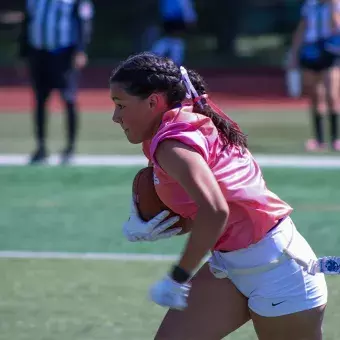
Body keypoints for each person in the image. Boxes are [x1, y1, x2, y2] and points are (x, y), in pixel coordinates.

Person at [110, 52, 327, 340]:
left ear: (153, 101)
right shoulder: (179, 124)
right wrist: (162, 224)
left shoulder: (172, 144)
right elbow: (219, 205)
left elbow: (216, 211)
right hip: (232, 265)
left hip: (280, 271)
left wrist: (178, 277)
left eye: (121, 105)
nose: (115, 117)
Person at [19, 0, 94, 164]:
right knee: (40, 100)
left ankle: (70, 147)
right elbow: (27, 22)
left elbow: (83, 23)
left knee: (68, 99)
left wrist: (81, 50)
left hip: (64, 54)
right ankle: (41, 147)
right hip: (38, 53)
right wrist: (23, 54)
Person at [289, 0, 340, 152]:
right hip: (312, 49)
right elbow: (302, 29)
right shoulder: (310, 5)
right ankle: (319, 140)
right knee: (316, 95)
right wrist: (295, 53)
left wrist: (332, 8)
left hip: (330, 48)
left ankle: (335, 138)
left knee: (332, 94)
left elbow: (336, 26)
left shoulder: (335, 5)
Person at [150, 0, 197, 65]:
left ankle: (154, 56)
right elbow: (185, 6)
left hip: (168, 18)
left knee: (172, 40)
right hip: (176, 18)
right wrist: (190, 18)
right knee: (175, 40)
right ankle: (175, 62)